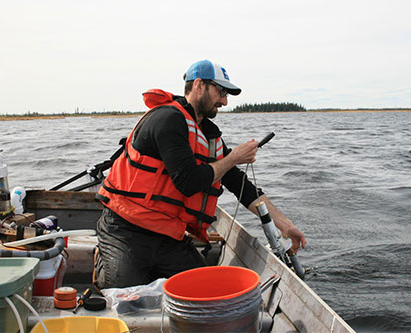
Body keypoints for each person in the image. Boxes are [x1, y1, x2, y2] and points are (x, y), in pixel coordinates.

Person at [93, 59, 306, 289]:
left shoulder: (209, 135)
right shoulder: (167, 119)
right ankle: (103, 261)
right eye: (221, 91)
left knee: (211, 295)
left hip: (168, 238)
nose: (224, 101)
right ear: (198, 85)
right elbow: (188, 181)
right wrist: (233, 157)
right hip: (125, 231)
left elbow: (240, 185)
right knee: (122, 298)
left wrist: (284, 224)